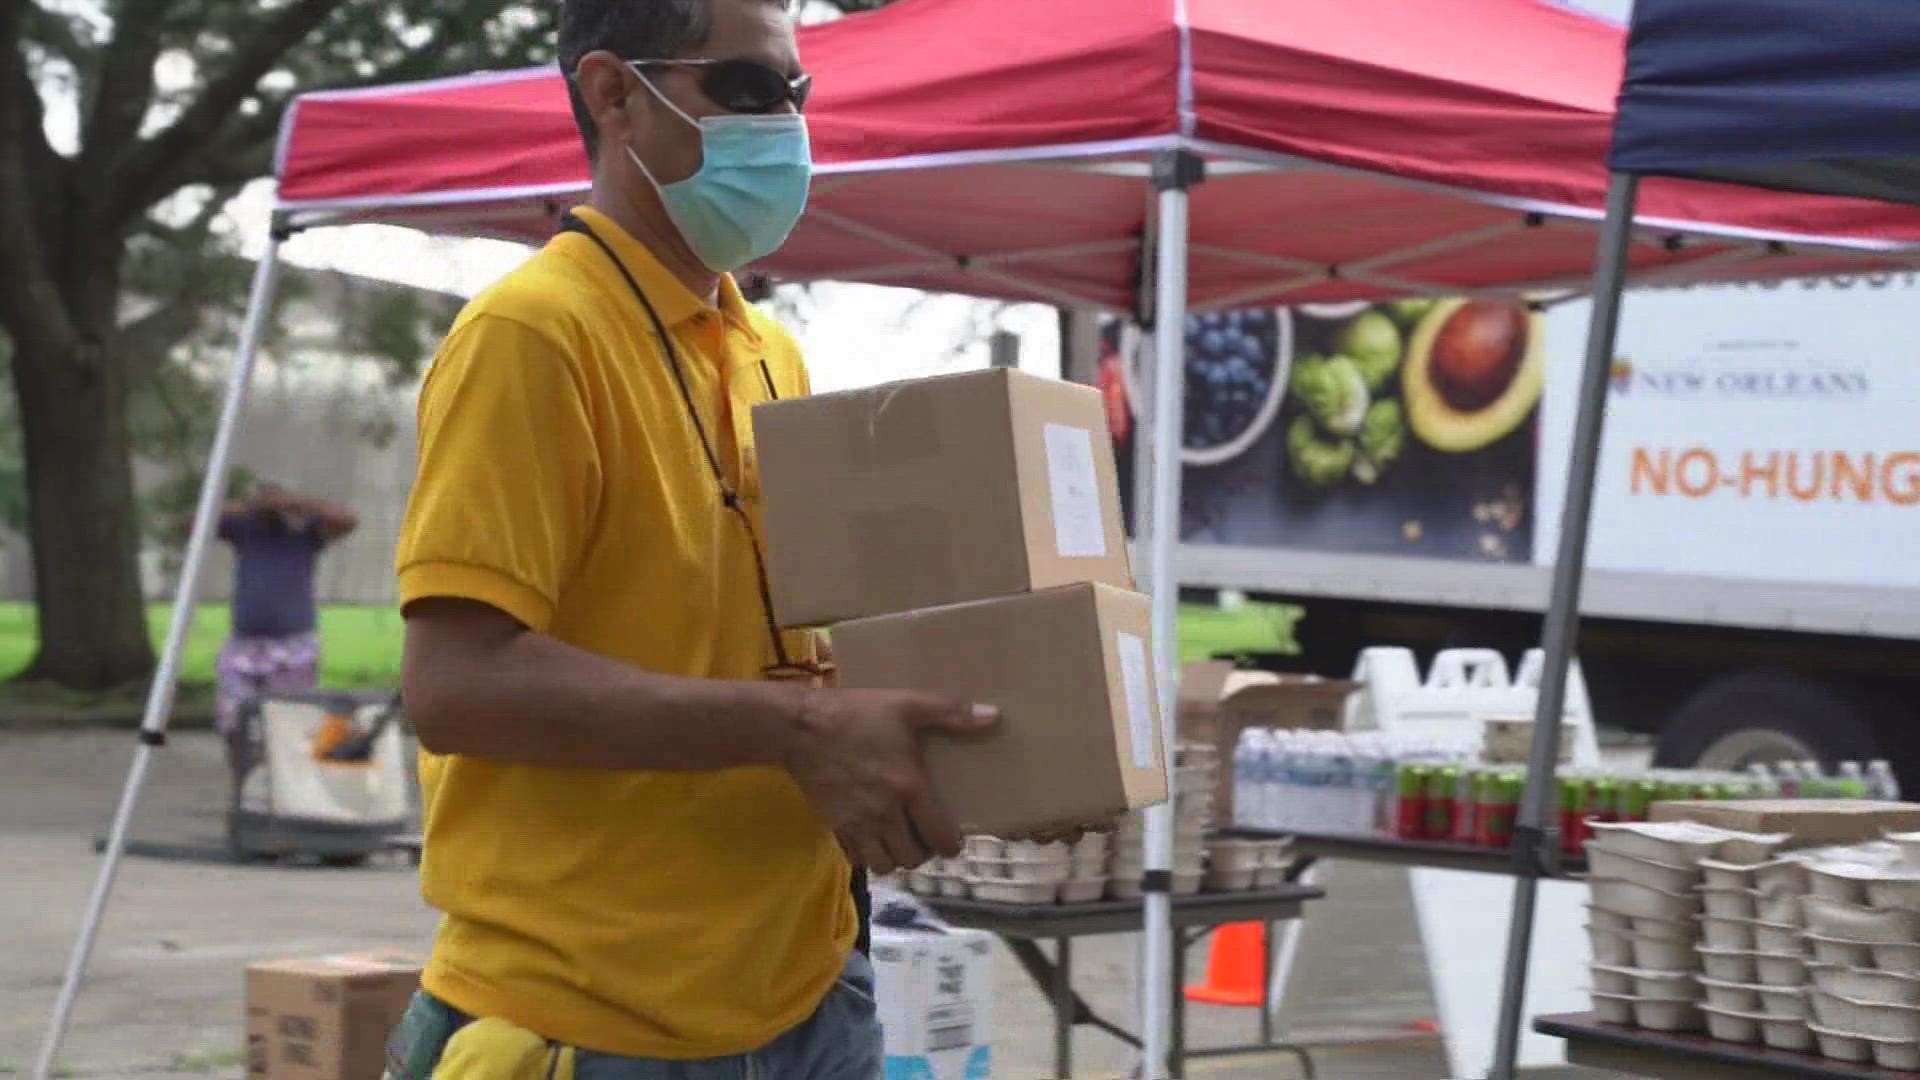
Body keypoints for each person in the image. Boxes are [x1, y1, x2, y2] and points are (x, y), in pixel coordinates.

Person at [384, 2, 998, 1078]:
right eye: (751, 92)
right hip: (591, 1022)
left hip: (813, 998)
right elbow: (455, 685)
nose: (788, 129)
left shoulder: (775, 355)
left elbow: (773, 654)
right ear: (615, 95)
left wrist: (953, 727)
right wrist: (801, 734)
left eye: (798, 96)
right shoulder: (532, 336)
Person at [213, 482, 357, 772]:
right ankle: (243, 780)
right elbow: (196, 521)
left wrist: (293, 503)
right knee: (233, 717)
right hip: (244, 642)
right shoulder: (244, 529)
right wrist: (249, 506)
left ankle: (289, 779)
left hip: (294, 644)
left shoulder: (305, 532)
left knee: (292, 716)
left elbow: (348, 520)